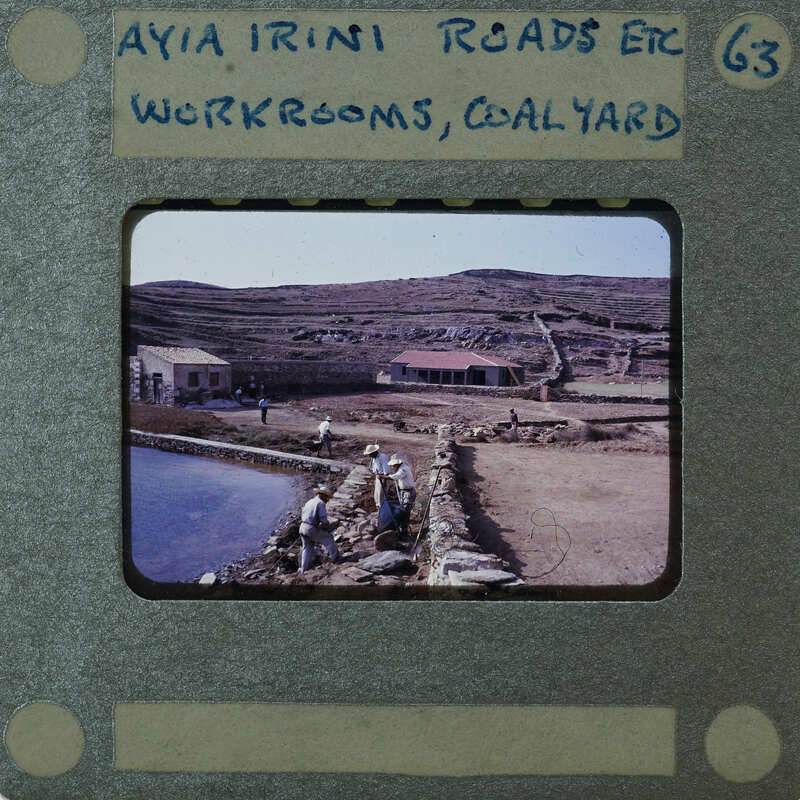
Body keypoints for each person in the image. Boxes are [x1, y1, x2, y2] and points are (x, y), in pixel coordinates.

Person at [298, 485, 339, 573]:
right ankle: (335, 559)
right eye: (327, 497)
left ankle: (303, 569)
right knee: (329, 539)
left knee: (307, 548)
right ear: (322, 495)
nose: (327, 499)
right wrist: (327, 526)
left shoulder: (310, 501)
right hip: (310, 528)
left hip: (302, 527)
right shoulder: (321, 503)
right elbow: (323, 519)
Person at [385, 454, 416, 519]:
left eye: (393, 466)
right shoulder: (401, 468)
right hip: (404, 491)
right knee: (403, 508)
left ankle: (405, 526)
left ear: (397, 464)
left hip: (408, 492)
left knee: (405, 509)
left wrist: (384, 477)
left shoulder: (403, 469)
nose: (392, 467)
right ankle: (404, 523)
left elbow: (396, 476)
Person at [364, 443, 390, 509]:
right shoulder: (374, 458)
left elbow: (386, 471)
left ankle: (382, 510)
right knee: (377, 495)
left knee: (382, 496)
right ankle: (378, 508)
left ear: (374, 452)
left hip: (383, 478)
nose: (369, 456)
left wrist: (384, 482)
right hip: (378, 477)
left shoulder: (382, 457)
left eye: (370, 454)